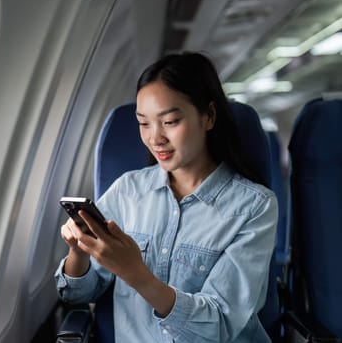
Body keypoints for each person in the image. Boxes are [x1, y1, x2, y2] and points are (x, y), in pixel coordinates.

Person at [54, 52, 278, 342]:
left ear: (208, 116)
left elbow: (219, 325)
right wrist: (79, 251)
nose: (155, 138)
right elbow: (79, 292)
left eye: (170, 122)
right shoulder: (128, 191)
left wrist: (136, 273)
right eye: (143, 123)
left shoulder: (254, 207)